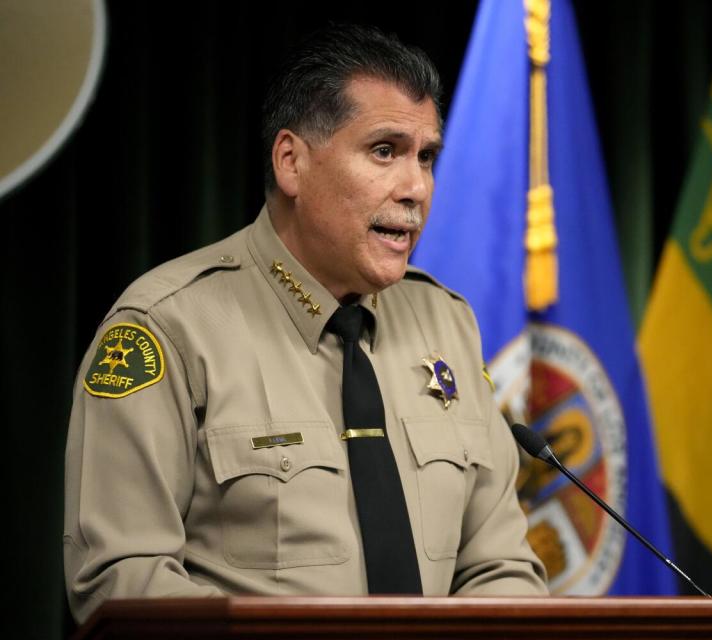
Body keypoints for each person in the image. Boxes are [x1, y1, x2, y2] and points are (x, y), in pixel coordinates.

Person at [63, 24, 548, 623]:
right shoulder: (168, 327)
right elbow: (121, 581)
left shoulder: (446, 322)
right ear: (292, 163)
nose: (416, 188)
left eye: (426, 157)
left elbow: (499, 567)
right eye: (384, 151)